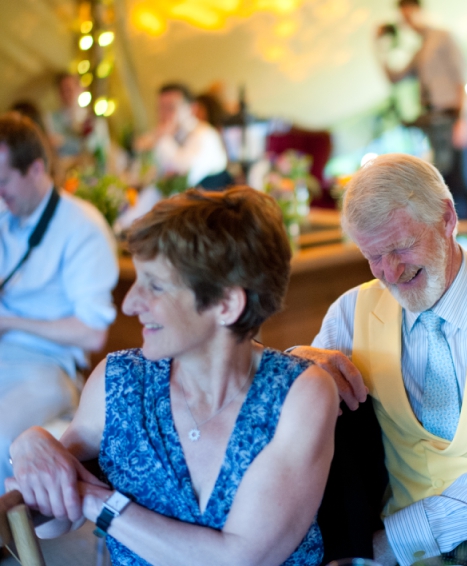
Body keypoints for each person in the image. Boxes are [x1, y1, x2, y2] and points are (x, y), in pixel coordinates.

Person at [6, 187, 337, 566]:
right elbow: (51, 521)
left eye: (155, 285)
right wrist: (30, 445)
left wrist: (100, 502)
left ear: (226, 304)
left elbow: (240, 559)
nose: (130, 303)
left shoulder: (299, 394)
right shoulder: (120, 382)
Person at [292, 153, 467, 566]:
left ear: (447, 218)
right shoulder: (350, 313)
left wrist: (382, 547)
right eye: (373, 256)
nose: (389, 273)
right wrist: (295, 367)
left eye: (402, 247)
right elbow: (296, 431)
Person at [0, 111, 118, 489]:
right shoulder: (6, 216)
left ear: (36, 169)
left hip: (49, 366)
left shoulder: (82, 226)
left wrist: (8, 322)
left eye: (3, 181)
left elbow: (92, 335)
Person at [375, 0, 467, 258]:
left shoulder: (443, 38)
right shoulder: (420, 48)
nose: (407, 20)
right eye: (403, 16)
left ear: (419, 10)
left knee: (465, 182)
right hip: (435, 124)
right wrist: (381, 48)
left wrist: (464, 120)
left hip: (453, 119)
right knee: (445, 184)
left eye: (409, 13)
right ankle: (455, 249)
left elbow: (462, 78)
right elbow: (396, 77)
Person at [136, 82, 229, 189]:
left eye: (171, 107)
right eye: (160, 108)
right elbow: (144, 171)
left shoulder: (205, 135)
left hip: (208, 201)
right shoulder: (171, 133)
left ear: (192, 108)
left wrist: (163, 139)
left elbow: (184, 175)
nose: (164, 114)